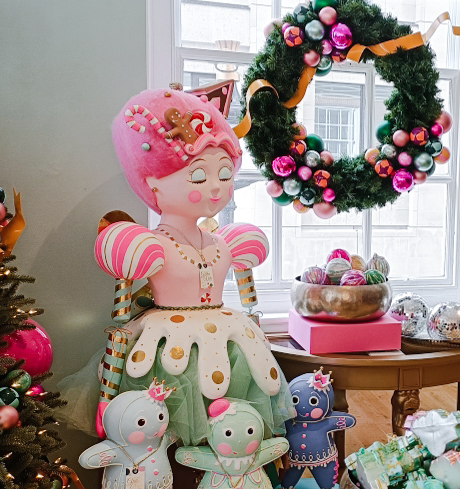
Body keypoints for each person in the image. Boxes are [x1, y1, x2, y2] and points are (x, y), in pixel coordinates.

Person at [61, 85, 293, 446]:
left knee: (234, 430)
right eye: (199, 176)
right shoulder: (149, 246)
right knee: (160, 430)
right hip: (166, 346)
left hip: (227, 342)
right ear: (152, 182)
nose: (216, 188)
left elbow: (250, 299)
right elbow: (121, 316)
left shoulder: (225, 243)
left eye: (225, 174)